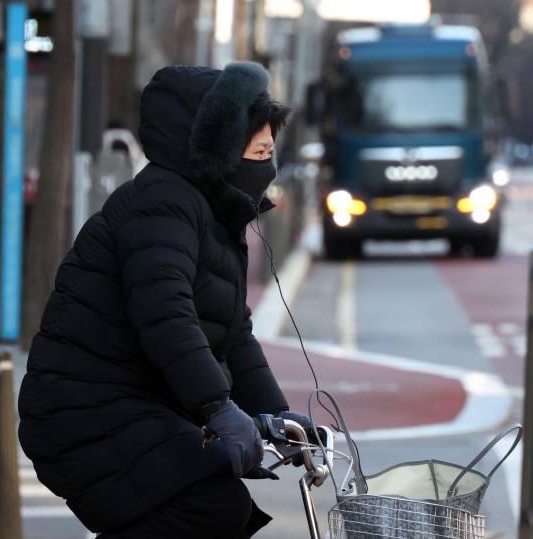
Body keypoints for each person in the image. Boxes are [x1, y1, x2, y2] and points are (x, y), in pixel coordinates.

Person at [18, 62, 314, 538]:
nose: (267, 167)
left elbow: (233, 331)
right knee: (207, 506)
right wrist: (218, 407)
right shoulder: (164, 204)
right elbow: (166, 315)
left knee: (221, 511)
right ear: (218, 151)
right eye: (259, 152)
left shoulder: (211, 213)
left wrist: (277, 415)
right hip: (86, 412)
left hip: (133, 409)